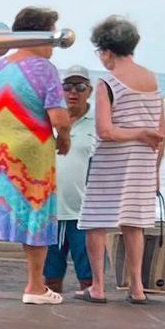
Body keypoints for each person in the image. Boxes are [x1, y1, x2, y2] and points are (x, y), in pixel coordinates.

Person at [0, 7, 72, 305]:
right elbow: (58, 118)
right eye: (50, 35)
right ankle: (35, 287)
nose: (52, 45)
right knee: (36, 216)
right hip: (30, 153)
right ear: (38, 34)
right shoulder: (44, 69)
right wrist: (66, 139)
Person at [78, 16, 165, 304]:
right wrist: (156, 169)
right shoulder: (152, 79)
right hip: (142, 163)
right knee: (134, 224)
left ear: (106, 51)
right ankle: (137, 287)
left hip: (111, 163)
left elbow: (105, 132)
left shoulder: (108, 82)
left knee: (95, 222)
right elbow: (162, 132)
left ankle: (99, 287)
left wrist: (137, 131)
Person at [43, 65, 97, 294]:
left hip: (84, 213)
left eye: (80, 86)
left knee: (90, 277)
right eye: (67, 86)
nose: (73, 92)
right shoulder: (48, 118)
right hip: (50, 210)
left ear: (89, 91)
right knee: (50, 277)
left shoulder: (98, 123)